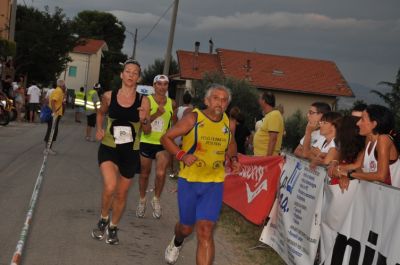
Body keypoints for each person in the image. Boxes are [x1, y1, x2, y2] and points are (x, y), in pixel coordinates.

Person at [160, 84, 241, 265]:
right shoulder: (193, 119)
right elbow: (165, 138)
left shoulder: (228, 122)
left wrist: (234, 159)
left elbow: (231, 144)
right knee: (186, 229)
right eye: (215, 98)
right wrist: (181, 155)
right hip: (190, 181)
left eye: (224, 99)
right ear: (206, 100)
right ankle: (177, 241)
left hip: (214, 184)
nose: (220, 102)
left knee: (205, 231)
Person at [91, 59, 150, 245]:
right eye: (128, 71)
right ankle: (103, 218)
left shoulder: (144, 100)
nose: (131, 75)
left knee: (121, 194)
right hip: (109, 148)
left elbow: (147, 131)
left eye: (135, 73)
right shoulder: (109, 96)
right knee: (110, 186)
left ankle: (113, 227)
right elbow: (101, 112)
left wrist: (144, 120)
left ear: (138, 78)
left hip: (130, 152)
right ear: (122, 74)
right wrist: (99, 129)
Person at [136, 74, 176, 219]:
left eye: (165, 84)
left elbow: (174, 123)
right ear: (154, 86)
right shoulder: (147, 100)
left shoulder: (172, 103)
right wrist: (157, 114)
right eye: (159, 84)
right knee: (144, 174)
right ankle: (142, 200)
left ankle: (156, 199)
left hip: (163, 144)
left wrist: (171, 139)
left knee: (160, 173)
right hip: (147, 141)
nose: (162, 87)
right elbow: (144, 125)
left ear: (167, 87)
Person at [333, 105, 400, 190]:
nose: (357, 123)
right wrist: (337, 167)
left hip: (391, 198)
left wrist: (349, 174)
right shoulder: (369, 138)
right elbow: (358, 166)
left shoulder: (383, 139)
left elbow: (381, 176)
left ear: (373, 124)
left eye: (362, 119)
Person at [253, 91, 284, 156]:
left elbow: (273, 139)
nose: (258, 100)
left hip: (265, 158)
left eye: (260, 98)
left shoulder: (274, 115)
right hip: (261, 156)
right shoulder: (270, 115)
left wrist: (268, 159)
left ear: (264, 101)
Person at [169, 91, 193, 177]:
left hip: (176, 133)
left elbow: (173, 122)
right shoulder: (191, 110)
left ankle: (172, 170)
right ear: (190, 100)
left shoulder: (177, 109)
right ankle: (181, 171)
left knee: (173, 153)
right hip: (185, 135)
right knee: (184, 153)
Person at [43, 79, 66, 155]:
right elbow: (53, 101)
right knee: (52, 131)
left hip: (55, 113)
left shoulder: (58, 91)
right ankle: (47, 149)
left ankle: (48, 148)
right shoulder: (58, 91)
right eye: (64, 85)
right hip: (55, 114)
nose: (65, 86)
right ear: (61, 85)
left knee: (52, 130)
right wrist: (54, 112)